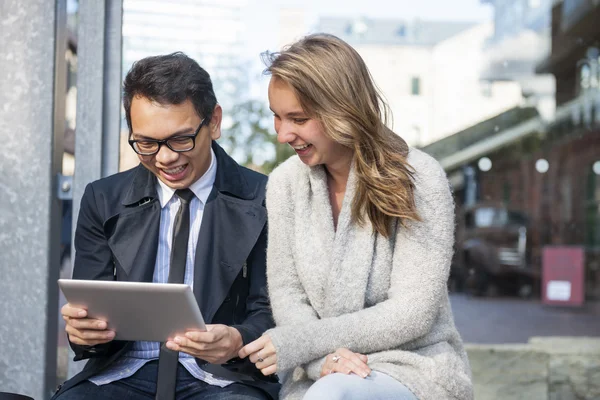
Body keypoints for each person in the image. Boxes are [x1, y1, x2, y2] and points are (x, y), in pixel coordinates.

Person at [238, 34, 474, 400]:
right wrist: (322, 361)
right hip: (321, 370)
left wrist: (300, 344)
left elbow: (413, 312)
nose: (284, 134)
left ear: (341, 108)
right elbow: (287, 295)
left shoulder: (420, 177)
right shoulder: (285, 183)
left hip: (413, 366)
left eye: (298, 118)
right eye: (276, 117)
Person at [53, 52, 279, 400]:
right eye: (146, 143)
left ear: (214, 122)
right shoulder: (103, 199)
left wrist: (238, 338)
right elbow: (91, 309)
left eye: (180, 139)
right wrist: (84, 333)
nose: (164, 157)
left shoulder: (265, 199)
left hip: (224, 378)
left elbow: (272, 309)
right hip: (121, 372)